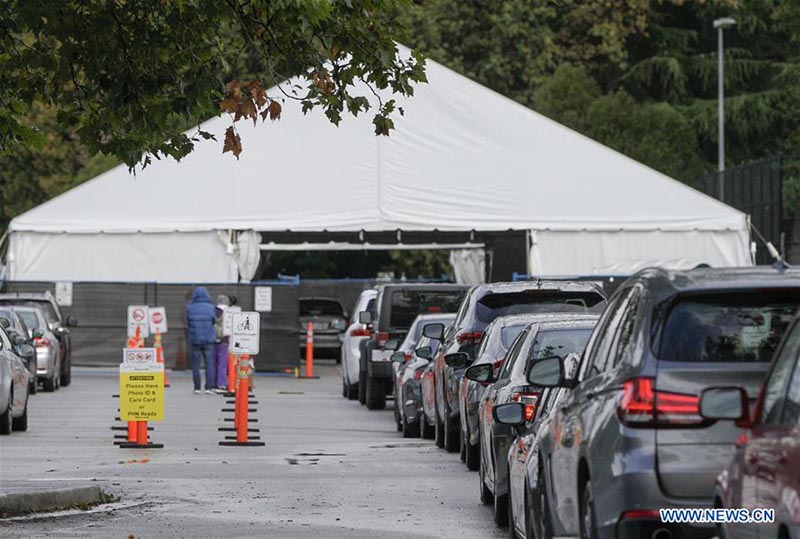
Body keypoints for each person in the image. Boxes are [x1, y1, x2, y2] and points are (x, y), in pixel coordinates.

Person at [186, 286, 217, 394]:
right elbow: (214, 321)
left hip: (194, 338)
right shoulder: (211, 308)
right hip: (208, 338)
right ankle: (208, 387)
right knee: (209, 363)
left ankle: (197, 388)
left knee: (195, 364)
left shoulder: (190, 308)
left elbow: (188, 322)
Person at [213, 294, 230, 392]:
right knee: (222, 364)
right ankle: (222, 383)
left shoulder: (212, 311)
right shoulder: (229, 312)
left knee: (213, 363)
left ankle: (212, 383)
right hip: (224, 339)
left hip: (212, 339)